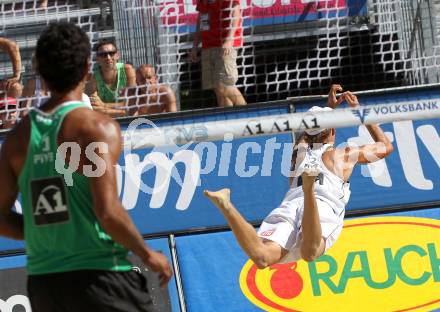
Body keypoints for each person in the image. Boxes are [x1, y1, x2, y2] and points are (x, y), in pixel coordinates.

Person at [0, 22, 172, 311]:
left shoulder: (18, 139)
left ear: (39, 71)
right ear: (86, 67)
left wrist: (46, 232)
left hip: (45, 284)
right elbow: (107, 212)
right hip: (101, 276)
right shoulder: (95, 128)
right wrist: (147, 253)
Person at [204, 85, 394, 267]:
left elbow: (311, 132)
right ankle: (309, 188)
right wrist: (358, 111)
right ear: (333, 131)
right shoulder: (340, 155)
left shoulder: (298, 153)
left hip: (291, 205)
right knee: (309, 253)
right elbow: (385, 146)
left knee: (262, 257)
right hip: (321, 205)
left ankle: (226, 205)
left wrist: (328, 110)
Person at [191, 0, 246, 107]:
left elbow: (236, 13)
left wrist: (229, 40)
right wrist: (195, 45)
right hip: (208, 44)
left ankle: (250, 114)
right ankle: (228, 119)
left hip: (224, 44)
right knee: (217, 89)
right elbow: (200, 20)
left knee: (225, 84)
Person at [88, 39, 136, 117]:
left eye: (111, 53)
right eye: (103, 55)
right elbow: (93, 107)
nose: (108, 57)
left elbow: (132, 104)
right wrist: (122, 112)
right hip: (104, 120)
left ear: (117, 55)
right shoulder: (92, 76)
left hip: (128, 120)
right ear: (97, 58)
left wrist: (103, 105)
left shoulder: (128, 70)